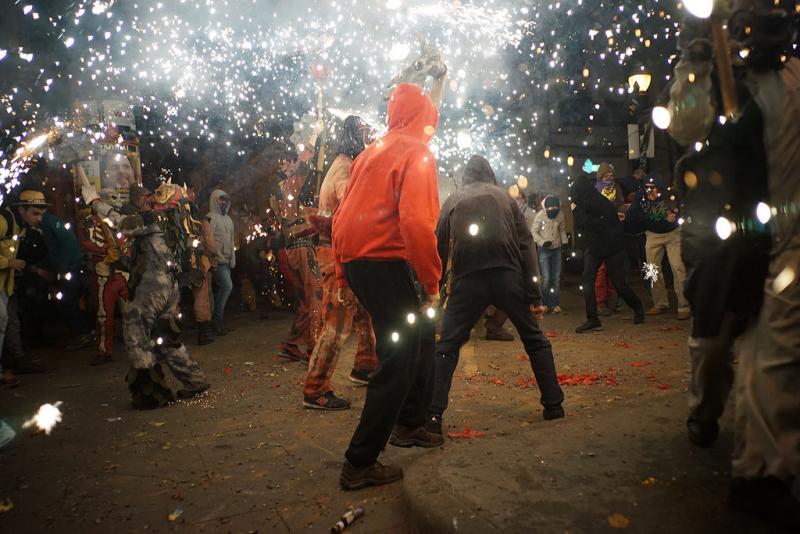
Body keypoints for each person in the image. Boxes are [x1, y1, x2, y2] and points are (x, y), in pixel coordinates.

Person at [668, 1, 799, 527]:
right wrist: (698, 54)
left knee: (779, 342)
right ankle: (706, 412)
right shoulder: (717, 81)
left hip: (784, 239)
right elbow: (684, 121)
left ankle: (760, 471)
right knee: (716, 342)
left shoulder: (790, 79)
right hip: (727, 238)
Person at [332, 83, 443, 490]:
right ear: (425, 116)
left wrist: (344, 274)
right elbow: (417, 223)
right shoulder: (417, 153)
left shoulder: (371, 152)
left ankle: (410, 423)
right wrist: (432, 281)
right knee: (398, 358)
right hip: (385, 263)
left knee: (415, 343)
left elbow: (342, 217)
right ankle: (359, 461)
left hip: (360, 263)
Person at [430, 155, 565, 434]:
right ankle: (554, 405)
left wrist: (437, 287)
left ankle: (432, 416)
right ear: (490, 174)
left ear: (466, 176)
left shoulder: (454, 198)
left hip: (468, 280)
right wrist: (534, 296)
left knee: (447, 347)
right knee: (535, 340)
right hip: (507, 276)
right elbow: (526, 245)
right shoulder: (505, 197)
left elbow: (439, 243)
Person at [78, 166, 210, 409]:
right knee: (166, 338)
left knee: (136, 335)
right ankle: (195, 381)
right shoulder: (177, 223)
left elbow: (121, 223)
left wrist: (95, 202)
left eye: (157, 194)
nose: (151, 198)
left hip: (151, 287)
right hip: (171, 286)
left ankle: (151, 395)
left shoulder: (154, 219)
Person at [302, 116, 378, 411]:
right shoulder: (344, 169)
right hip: (337, 254)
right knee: (337, 323)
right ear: (353, 136)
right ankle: (315, 389)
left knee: (364, 313)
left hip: (342, 250)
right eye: (365, 134)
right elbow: (353, 210)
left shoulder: (345, 165)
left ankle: (365, 367)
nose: (370, 140)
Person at [571, 175, 644, 333]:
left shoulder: (597, 203)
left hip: (612, 247)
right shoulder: (586, 202)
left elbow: (591, 224)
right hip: (596, 247)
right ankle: (593, 319)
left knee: (619, 284)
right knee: (587, 281)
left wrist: (576, 211)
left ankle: (638, 307)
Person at [625, 175, 690, 320]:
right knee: (652, 269)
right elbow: (632, 215)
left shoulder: (669, 195)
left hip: (673, 234)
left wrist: (675, 215)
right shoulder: (640, 197)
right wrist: (642, 222)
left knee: (678, 267)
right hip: (653, 235)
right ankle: (660, 303)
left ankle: (684, 305)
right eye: (647, 187)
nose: (650, 191)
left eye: (653, 187)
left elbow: (681, 207)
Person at [277, 158, 322, 363]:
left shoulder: (287, 187)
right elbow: (308, 218)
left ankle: (291, 344)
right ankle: (314, 348)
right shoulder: (293, 183)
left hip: (294, 248)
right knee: (316, 298)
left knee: (306, 301)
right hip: (302, 247)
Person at [79, 190, 131, 365]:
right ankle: (104, 351)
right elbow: (87, 243)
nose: (116, 201)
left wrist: (123, 253)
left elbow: (127, 241)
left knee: (132, 311)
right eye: (112, 198)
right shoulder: (90, 221)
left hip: (122, 272)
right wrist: (105, 251)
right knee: (103, 315)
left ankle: (137, 343)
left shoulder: (120, 219)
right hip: (104, 271)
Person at [0, 202, 27, 387]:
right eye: (36, 213)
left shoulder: (18, 226)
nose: (39, 218)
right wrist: (7, 263)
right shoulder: (4, 221)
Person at [594, 163, 625, 316]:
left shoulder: (617, 189)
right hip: (600, 235)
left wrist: (621, 212)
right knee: (600, 270)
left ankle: (612, 298)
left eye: (611, 176)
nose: (609, 178)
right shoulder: (595, 190)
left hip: (615, 234)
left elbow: (621, 204)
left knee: (613, 268)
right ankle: (599, 302)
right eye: (606, 176)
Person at [531, 195, 568, 314]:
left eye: (555, 208)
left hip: (556, 249)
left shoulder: (560, 214)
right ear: (545, 207)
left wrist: (565, 242)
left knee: (555, 278)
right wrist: (542, 242)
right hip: (544, 250)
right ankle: (545, 303)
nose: (552, 210)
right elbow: (533, 232)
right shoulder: (540, 215)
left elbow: (562, 230)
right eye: (550, 208)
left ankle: (555, 304)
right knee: (546, 278)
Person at [207, 190, 235, 335]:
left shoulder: (228, 220)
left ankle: (218, 321)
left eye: (225, 200)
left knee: (222, 289)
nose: (223, 203)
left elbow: (231, 240)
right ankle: (216, 321)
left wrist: (232, 258)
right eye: (220, 200)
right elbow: (209, 240)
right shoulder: (210, 218)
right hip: (217, 262)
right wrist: (215, 258)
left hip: (227, 260)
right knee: (227, 287)